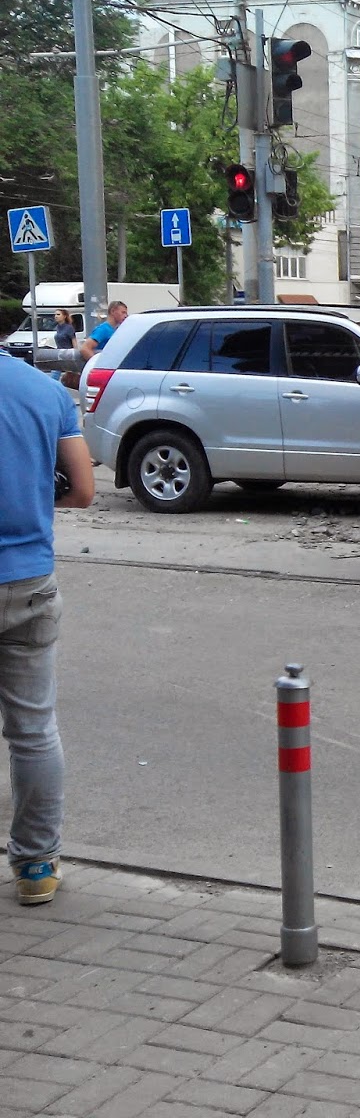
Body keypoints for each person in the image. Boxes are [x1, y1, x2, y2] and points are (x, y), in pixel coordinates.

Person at [0, 342, 95, 905]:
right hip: (30, 581)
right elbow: (83, 490)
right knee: (33, 733)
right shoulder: (43, 391)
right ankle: (36, 868)